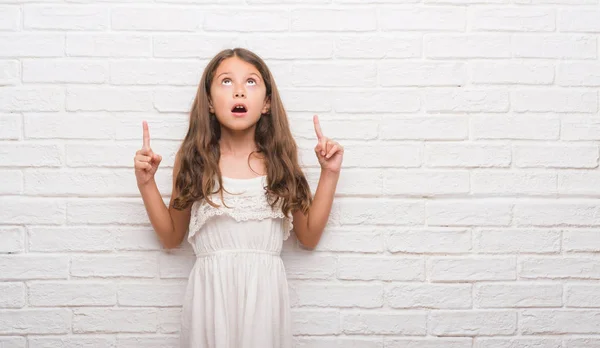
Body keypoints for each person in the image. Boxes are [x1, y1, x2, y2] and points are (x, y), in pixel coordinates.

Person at [133, 48, 344, 348]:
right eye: (227, 82)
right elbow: (170, 237)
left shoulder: (280, 161)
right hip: (211, 301)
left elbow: (308, 236)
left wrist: (330, 173)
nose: (240, 92)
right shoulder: (194, 160)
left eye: (251, 82)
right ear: (208, 100)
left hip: (264, 302)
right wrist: (146, 184)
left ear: (267, 103)